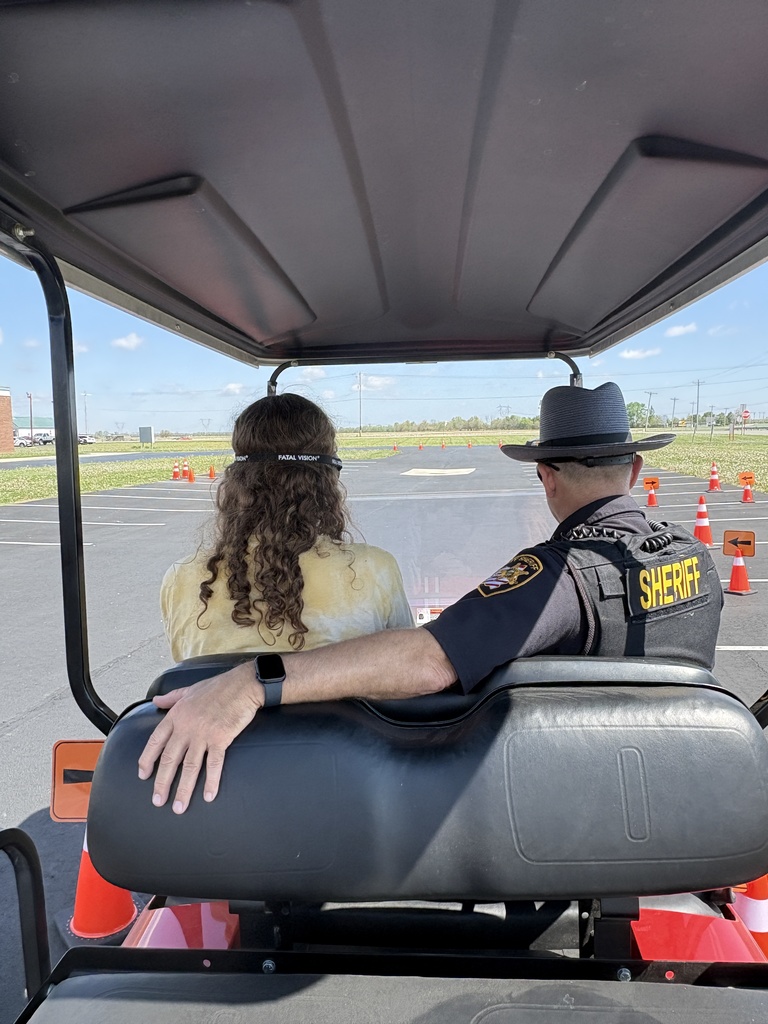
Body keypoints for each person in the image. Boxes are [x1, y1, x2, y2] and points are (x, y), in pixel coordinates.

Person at [139, 382, 723, 814]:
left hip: (570, 810)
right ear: (637, 467)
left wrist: (251, 681)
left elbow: (426, 663)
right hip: (679, 800)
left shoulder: (555, 578)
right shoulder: (696, 560)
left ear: (545, 475)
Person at [160, 393, 413, 661]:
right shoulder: (374, 569)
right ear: (324, 482)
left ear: (237, 481)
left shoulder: (181, 579)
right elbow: (406, 667)